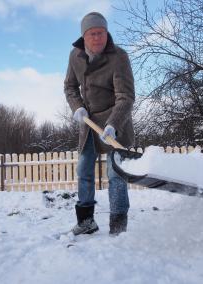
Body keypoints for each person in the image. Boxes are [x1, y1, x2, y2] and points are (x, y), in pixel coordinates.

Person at [64, 12, 135, 236]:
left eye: (101, 33)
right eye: (93, 34)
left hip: (116, 122)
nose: (98, 38)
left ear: (107, 33)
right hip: (88, 122)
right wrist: (77, 107)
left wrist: (114, 123)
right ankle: (86, 222)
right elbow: (69, 87)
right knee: (84, 169)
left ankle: (118, 225)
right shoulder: (75, 56)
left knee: (116, 175)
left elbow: (126, 96)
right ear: (84, 36)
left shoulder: (118, 57)